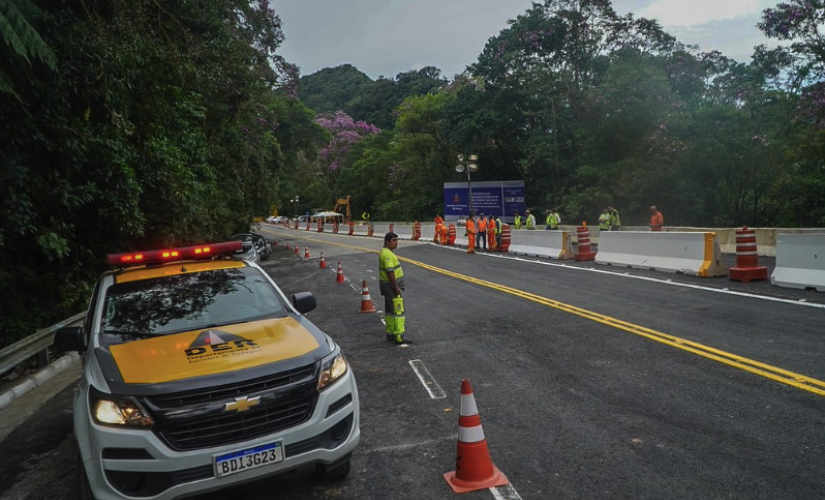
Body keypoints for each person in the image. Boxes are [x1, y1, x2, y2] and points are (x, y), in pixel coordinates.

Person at [379, 232, 411, 345]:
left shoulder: (386, 252)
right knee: (398, 311)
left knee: (389, 311)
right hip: (391, 287)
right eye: (394, 240)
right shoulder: (387, 255)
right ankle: (399, 337)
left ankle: (390, 333)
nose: (396, 242)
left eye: (397, 240)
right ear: (387, 242)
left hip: (387, 286)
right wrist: (396, 286)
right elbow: (390, 271)